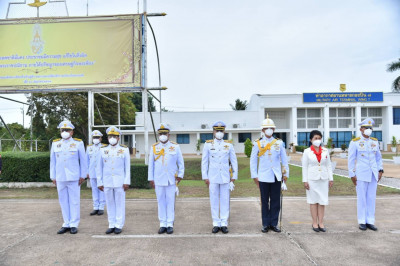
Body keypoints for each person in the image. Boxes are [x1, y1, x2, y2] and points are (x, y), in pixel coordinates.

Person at [250, 115, 289, 233]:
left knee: (276, 201)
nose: (269, 130)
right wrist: (254, 176)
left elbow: (284, 160)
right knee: (264, 201)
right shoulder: (258, 143)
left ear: (274, 130)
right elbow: (253, 160)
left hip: (276, 176)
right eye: (267, 128)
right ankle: (265, 224)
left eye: (271, 128)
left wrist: (285, 175)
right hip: (263, 176)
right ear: (262, 130)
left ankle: (274, 223)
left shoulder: (279, 143)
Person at [50, 121, 87, 234]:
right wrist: (53, 176)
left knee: (74, 201)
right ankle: (66, 223)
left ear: (72, 132)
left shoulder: (78, 143)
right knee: (63, 201)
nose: (65, 132)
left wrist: (83, 175)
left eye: (67, 130)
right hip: (60, 177)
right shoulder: (55, 144)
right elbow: (53, 161)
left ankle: (74, 224)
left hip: (74, 177)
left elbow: (83, 160)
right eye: (63, 130)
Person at [202, 121, 238, 234]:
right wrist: (205, 176)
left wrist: (234, 177)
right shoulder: (207, 144)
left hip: (225, 177)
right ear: (213, 132)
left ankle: (224, 223)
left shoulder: (229, 145)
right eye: (217, 130)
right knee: (213, 200)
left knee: (225, 200)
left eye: (221, 131)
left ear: (224, 132)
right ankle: (216, 223)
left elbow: (234, 161)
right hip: (212, 177)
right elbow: (204, 161)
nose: (219, 133)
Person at [148, 123, 184, 234]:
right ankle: (162, 224)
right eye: (161, 133)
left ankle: (170, 224)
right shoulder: (154, 147)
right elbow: (151, 165)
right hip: (158, 179)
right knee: (160, 202)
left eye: (165, 133)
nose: (163, 135)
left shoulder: (175, 147)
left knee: (170, 202)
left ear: (169, 134)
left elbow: (180, 163)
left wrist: (180, 175)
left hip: (171, 180)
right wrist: (151, 179)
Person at [348, 118, 383, 231]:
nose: (368, 130)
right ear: (361, 129)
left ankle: (370, 221)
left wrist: (380, 170)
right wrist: (352, 174)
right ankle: (362, 221)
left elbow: (378, 158)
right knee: (362, 198)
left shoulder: (375, 141)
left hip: (373, 174)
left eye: (370, 128)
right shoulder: (355, 142)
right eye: (366, 128)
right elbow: (351, 159)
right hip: (361, 174)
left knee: (371, 198)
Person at [97, 126, 130, 234]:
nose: (112, 138)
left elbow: (127, 167)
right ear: (107, 137)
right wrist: (99, 182)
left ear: (118, 138)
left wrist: (126, 181)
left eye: (114, 136)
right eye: (110, 136)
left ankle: (119, 225)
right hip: (107, 181)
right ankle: (111, 224)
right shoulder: (102, 150)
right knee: (110, 203)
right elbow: (99, 167)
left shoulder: (124, 149)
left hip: (120, 182)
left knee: (119, 203)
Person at [301, 130, 334, 232]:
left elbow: (328, 165)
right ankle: (314, 222)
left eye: (319, 138)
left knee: (322, 201)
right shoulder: (307, 152)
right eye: (315, 138)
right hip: (312, 179)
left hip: (323, 179)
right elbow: (304, 167)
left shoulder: (325, 151)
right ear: (311, 140)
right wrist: (305, 180)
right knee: (313, 201)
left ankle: (321, 222)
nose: (318, 140)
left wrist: (330, 178)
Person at [86, 130, 107, 216]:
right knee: (94, 190)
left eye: (97, 137)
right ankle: (95, 207)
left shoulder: (104, 147)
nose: (96, 139)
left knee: (101, 189)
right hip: (92, 172)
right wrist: (87, 172)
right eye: (94, 137)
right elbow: (86, 161)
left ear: (101, 138)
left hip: (101, 173)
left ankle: (101, 207)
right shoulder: (89, 148)